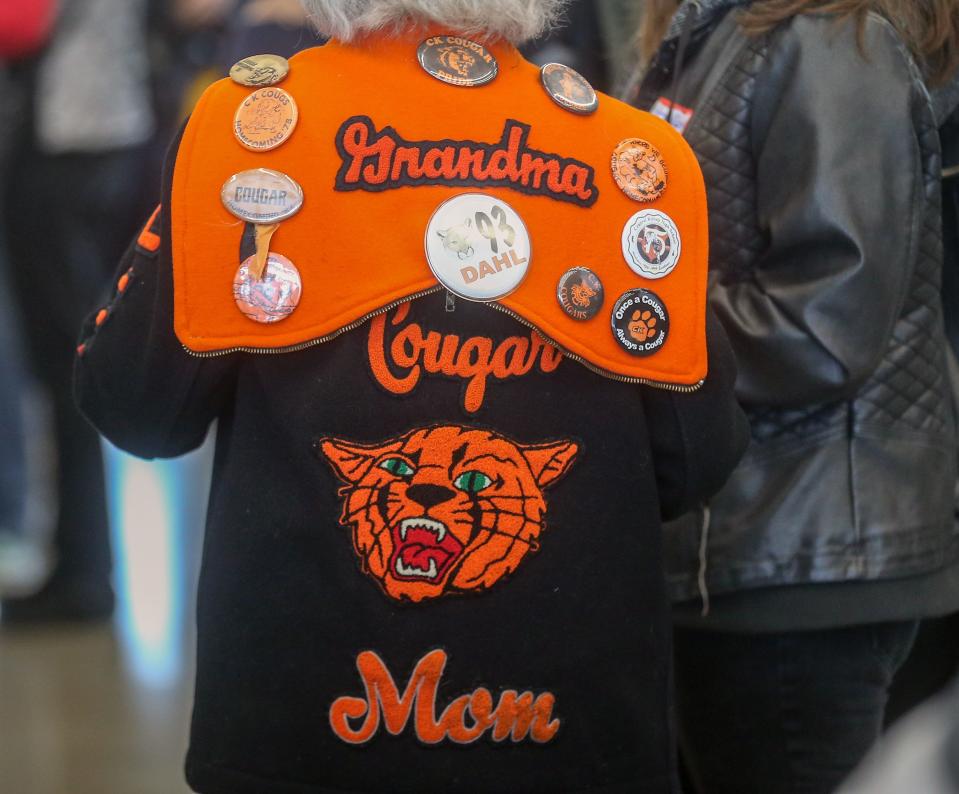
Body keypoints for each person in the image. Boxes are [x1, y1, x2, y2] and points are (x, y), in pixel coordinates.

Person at [75, 0, 749, 790]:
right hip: (573, 735)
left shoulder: (249, 132)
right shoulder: (629, 157)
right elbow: (696, 455)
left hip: (301, 736)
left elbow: (136, 406)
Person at [630, 1, 959, 793]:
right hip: (744, 552)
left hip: (805, 565)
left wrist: (631, 324)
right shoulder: (711, 31)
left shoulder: (828, 42)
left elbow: (820, 329)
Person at [1, 0, 157, 623]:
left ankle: (86, 573)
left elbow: (20, 23)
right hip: (116, 132)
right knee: (78, 345)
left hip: (68, 145)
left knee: (69, 356)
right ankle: (82, 563)